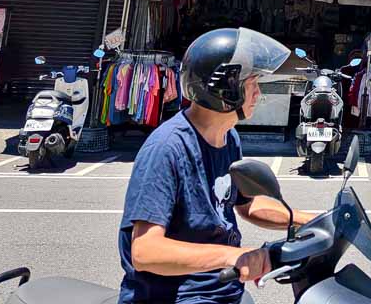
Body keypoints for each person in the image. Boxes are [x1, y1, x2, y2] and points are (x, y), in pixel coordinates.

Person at [118, 27, 319, 303]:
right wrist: (233, 255)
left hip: (222, 288)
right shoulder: (168, 148)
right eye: (253, 83)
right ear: (227, 89)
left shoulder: (227, 137)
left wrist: (312, 221)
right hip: (177, 296)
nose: (258, 93)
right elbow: (145, 251)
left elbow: (247, 205)